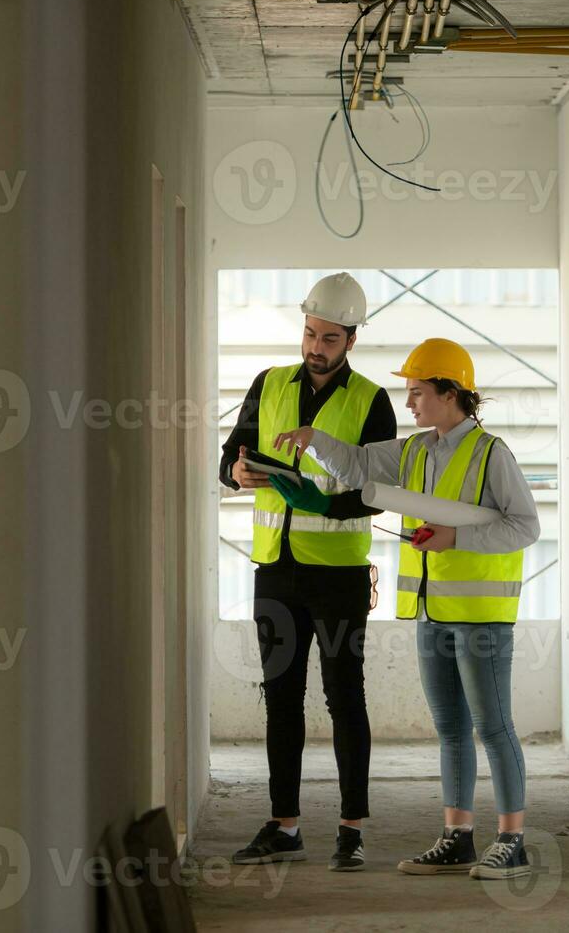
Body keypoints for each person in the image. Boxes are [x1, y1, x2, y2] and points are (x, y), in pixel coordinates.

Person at [271, 337, 540, 881]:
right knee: (451, 729)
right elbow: (358, 464)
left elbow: (525, 527)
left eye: (418, 392)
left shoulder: (493, 454)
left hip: (482, 614)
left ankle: (512, 839)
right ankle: (457, 836)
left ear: (450, 393)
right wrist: (313, 438)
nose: (410, 402)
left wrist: (454, 541)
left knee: (493, 727)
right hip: (430, 610)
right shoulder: (416, 451)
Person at [220, 272, 398, 872]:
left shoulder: (371, 400)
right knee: (280, 697)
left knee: (345, 697)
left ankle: (351, 829)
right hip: (275, 568)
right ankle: (285, 824)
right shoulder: (267, 385)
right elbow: (232, 456)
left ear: (350, 339)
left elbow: (381, 491)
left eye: (328, 338)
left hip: (339, 573)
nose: (315, 347)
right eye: (309, 334)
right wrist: (236, 476)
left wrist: (328, 504)